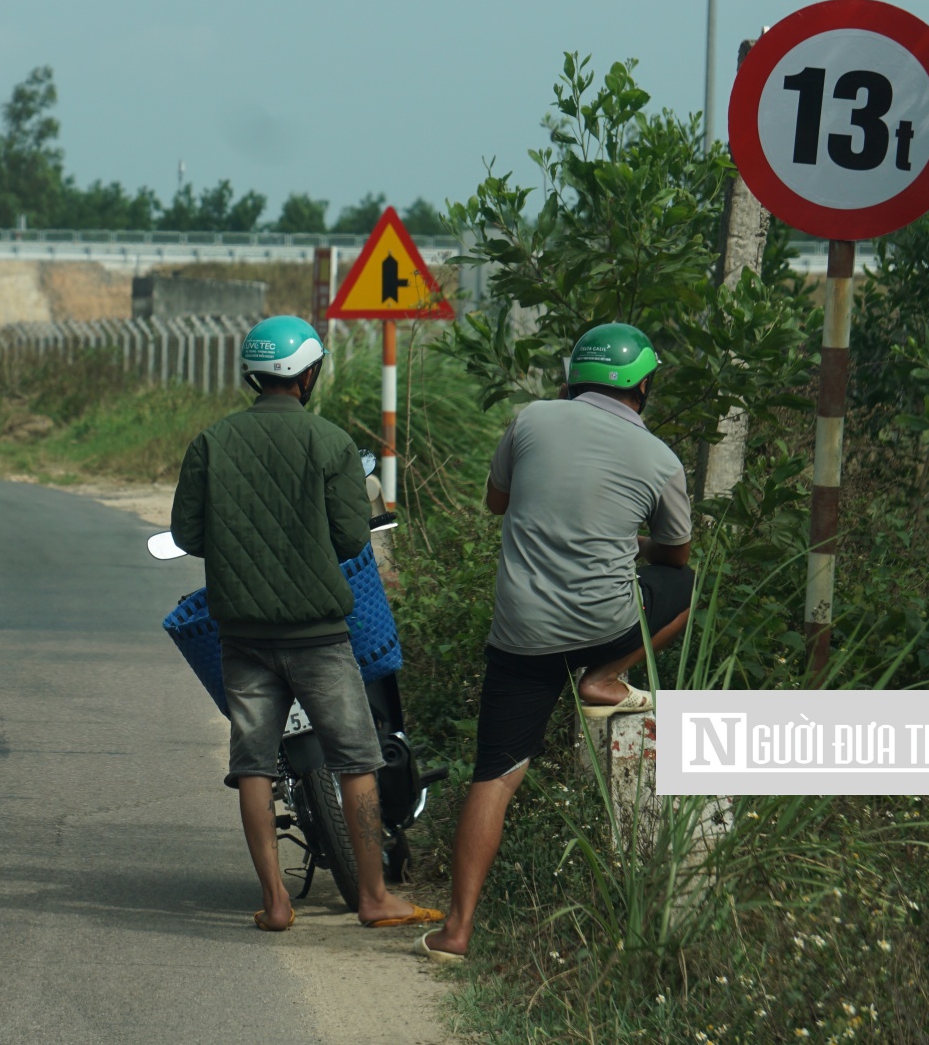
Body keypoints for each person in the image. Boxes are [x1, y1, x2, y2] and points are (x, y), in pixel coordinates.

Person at [418, 322, 695, 964]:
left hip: (523, 633)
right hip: (607, 625)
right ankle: (607, 677)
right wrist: (628, 543)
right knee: (686, 592)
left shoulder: (530, 419)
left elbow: (497, 502)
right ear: (644, 385)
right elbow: (676, 556)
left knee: (496, 775)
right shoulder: (659, 457)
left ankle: (455, 933)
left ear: (573, 376)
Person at [171, 315, 440, 933]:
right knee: (357, 761)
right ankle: (373, 897)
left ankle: (275, 902)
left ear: (252, 374)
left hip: (240, 636)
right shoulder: (333, 444)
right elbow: (351, 537)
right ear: (309, 373)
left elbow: (187, 534)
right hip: (319, 635)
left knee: (254, 767)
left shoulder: (211, 443)